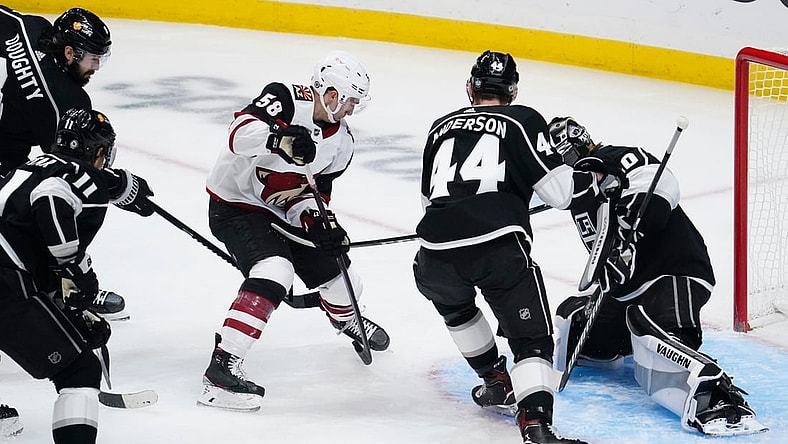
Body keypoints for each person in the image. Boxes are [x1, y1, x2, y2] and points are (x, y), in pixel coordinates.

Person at [411, 51, 612, 444]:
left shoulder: (439, 128)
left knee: (457, 309)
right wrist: (593, 175)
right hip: (497, 248)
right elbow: (560, 193)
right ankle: (535, 424)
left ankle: (495, 381)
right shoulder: (523, 119)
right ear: (512, 92)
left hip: (432, 253)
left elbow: (427, 202)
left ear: (470, 88)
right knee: (531, 341)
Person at [547, 117, 768, 436]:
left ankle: (717, 398)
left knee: (664, 339)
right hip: (629, 290)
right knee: (580, 333)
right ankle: (631, 341)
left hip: (674, 270)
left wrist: (634, 223)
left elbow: (660, 185)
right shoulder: (577, 198)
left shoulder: (616, 159)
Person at [199, 50, 390, 411]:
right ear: (331, 94)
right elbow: (238, 135)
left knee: (343, 280)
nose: (351, 110)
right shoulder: (285, 98)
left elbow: (310, 194)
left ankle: (345, 318)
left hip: (281, 212)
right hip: (235, 205)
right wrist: (279, 139)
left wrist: (318, 225)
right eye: (350, 101)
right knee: (275, 270)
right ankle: (221, 368)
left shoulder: (343, 144)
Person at [0, 6, 155, 320]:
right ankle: (68, 289)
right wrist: (119, 186)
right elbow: (70, 170)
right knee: (55, 205)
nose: (96, 67)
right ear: (70, 53)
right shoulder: (67, 100)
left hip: (6, 154)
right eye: (93, 58)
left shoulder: (30, 29)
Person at [0, 108, 119, 444]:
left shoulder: (24, 166)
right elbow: (50, 198)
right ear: (98, 152)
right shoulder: (78, 176)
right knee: (80, 370)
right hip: (5, 281)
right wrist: (79, 274)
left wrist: (67, 311)